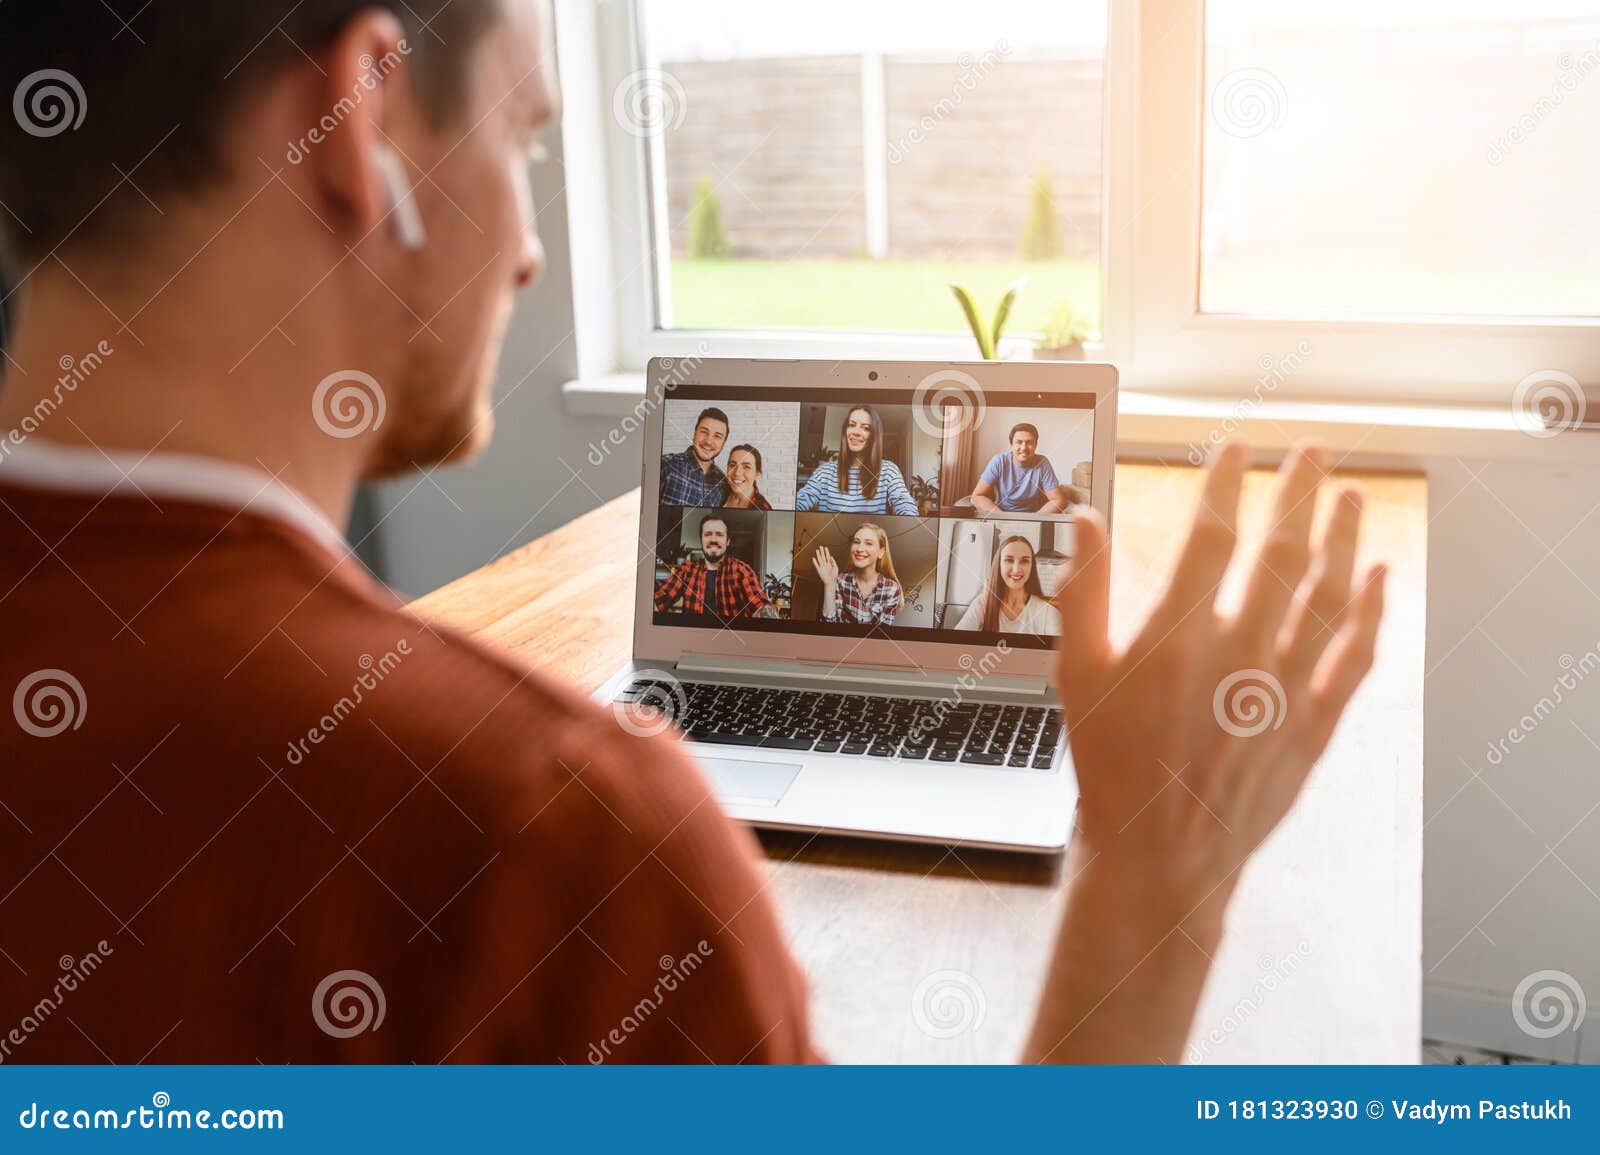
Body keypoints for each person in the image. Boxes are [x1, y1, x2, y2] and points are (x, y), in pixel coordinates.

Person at [0, 0, 1386, 1066]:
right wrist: (1158, 886)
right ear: (362, 125)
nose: (531, 246)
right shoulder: (562, 842)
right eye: (528, 132)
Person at [795, 406, 918, 516]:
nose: (856, 432)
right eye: (852, 425)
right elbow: (802, 499)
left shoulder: (888, 470)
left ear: (874, 435)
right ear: (845, 431)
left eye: (865, 428)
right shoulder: (825, 471)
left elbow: (904, 502)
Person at [653, 515, 774, 621]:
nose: (713, 539)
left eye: (720, 535)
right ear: (701, 540)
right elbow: (659, 601)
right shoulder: (687, 569)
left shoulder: (742, 570)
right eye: (708, 534)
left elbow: (761, 605)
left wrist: (766, 615)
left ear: (728, 541)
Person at [954, 535, 1063, 635]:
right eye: (1009, 560)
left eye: (1024, 561)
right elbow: (955, 644)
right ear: (999, 565)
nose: (1016, 570)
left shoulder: (1048, 613)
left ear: (1032, 567)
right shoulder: (982, 604)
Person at [811, 523, 904, 626]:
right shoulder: (841, 581)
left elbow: (881, 636)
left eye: (868, 543)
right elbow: (829, 627)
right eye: (856, 542)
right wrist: (829, 585)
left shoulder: (891, 588)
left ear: (881, 552)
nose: (859, 549)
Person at [969, 423, 1071, 514]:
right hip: (1001, 513)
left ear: (1036, 445)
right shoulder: (999, 461)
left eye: (1029, 442)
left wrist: (1034, 520)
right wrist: (1001, 517)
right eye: (1018, 442)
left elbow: (1058, 500)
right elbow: (976, 497)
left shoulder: (1042, 462)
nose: (1024, 448)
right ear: (1012, 444)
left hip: (1032, 516)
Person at [660, 407, 730, 506]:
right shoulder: (665, 465)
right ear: (695, 432)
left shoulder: (723, 484)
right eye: (704, 432)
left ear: (723, 443)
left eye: (717, 436)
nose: (708, 441)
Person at [722, 444, 771, 510]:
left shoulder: (762, 508)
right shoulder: (720, 492)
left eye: (746, 467)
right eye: (732, 465)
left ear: (757, 474)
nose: (737, 473)